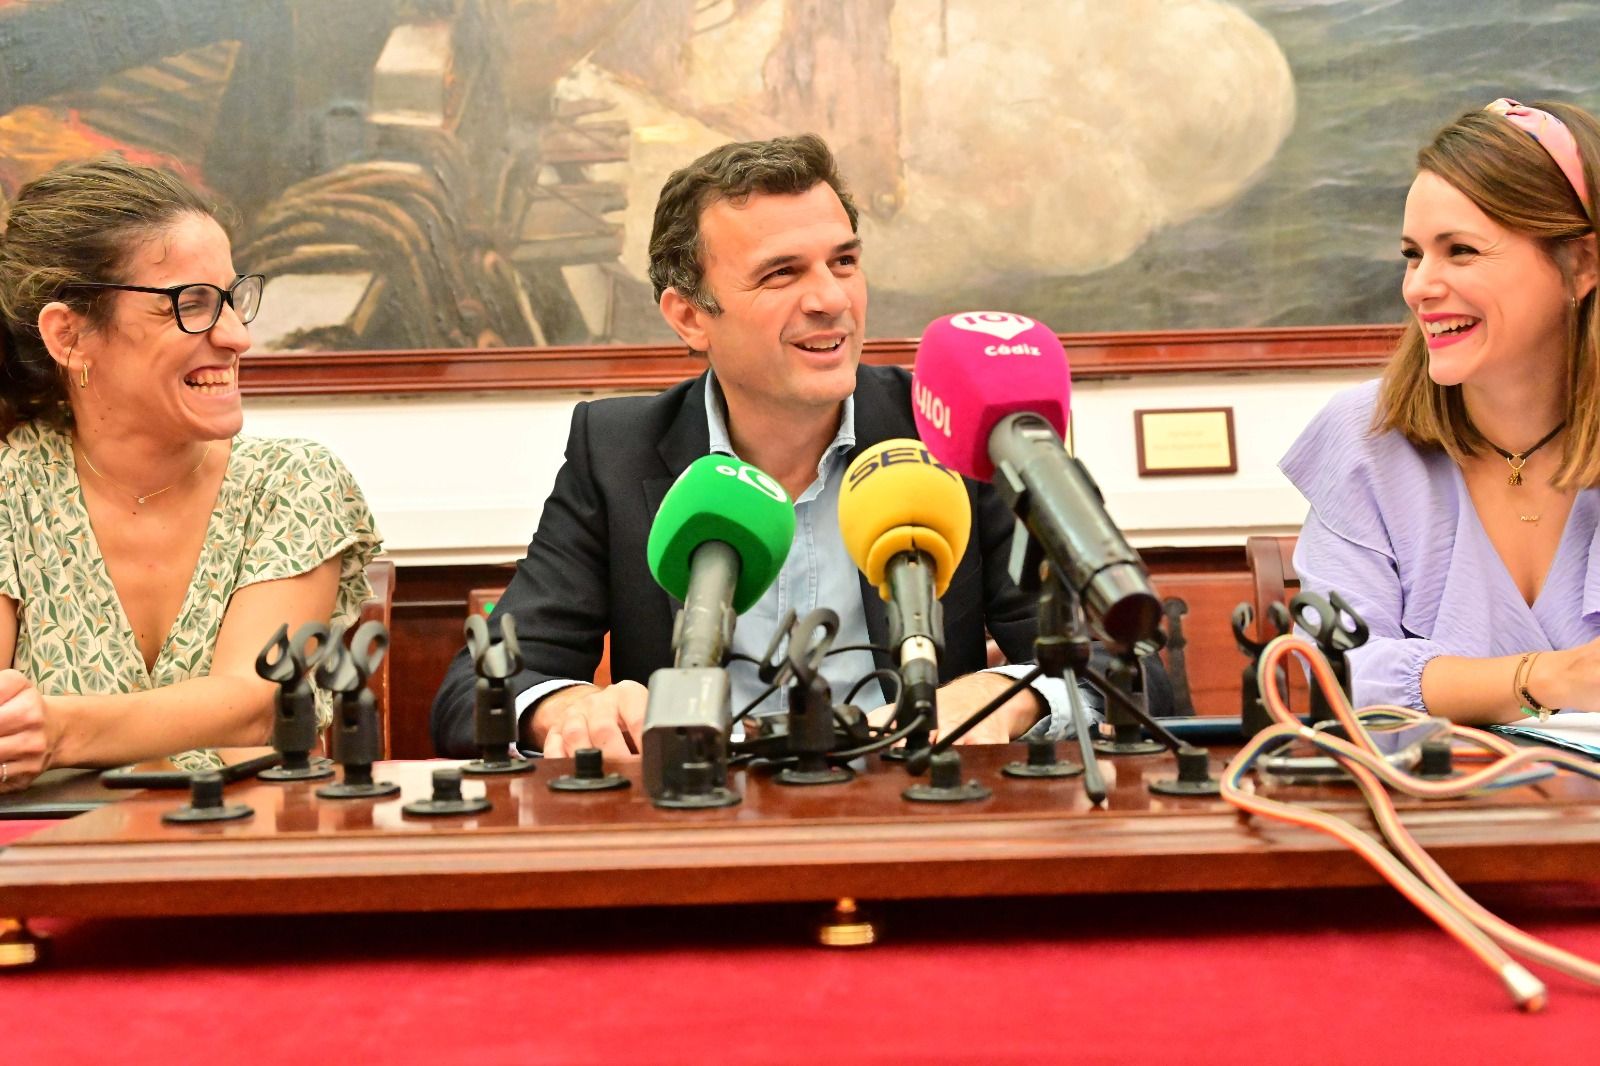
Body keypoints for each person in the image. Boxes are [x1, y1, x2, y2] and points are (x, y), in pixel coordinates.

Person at [432, 134, 1164, 759]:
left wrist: (1009, 696)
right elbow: (473, 691)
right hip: (699, 830)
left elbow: (1140, 669)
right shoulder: (616, 450)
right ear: (690, 317)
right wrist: (564, 710)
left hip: (920, 819)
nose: (832, 299)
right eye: (783, 273)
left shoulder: (952, 429)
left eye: (843, 262)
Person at [0, 156, 381, 792]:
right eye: (191, 304)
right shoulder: (11, 490)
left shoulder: (292, 485)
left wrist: (58, 732)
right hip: (48, 875)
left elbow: (256, 707)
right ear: (68, 336)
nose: (237, 337)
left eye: (232, 300)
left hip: (247, 868)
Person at [1281, 98, 1600, 725]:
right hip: (1419, 816)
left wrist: (1459, 685)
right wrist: (1553, 676)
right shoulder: (1363, 437)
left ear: (1581, 264)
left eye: (1460, 251)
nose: (1419, 286)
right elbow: (1340, 673)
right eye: (1413, 254)